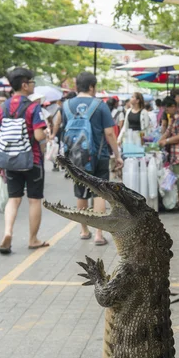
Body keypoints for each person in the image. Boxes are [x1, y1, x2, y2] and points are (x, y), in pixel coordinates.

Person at [62, 71, 123, 245]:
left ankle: (83, 231)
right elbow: (110, 133)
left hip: (76, 158)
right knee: (99, 194)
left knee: (81, 194)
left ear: (76, 87)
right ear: (91, 87)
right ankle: (98, 234)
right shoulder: (100, 105)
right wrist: (117, 156)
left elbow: (62, 131)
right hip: (100, 156)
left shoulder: (66, 106)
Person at [0, 68, 48, 254]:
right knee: (34, 200)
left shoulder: (2, 108)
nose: (33, 85)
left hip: (9, 161)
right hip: (32, 160)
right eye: (32, 81)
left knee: (13, 199)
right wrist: (46, 134)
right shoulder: (33, 107)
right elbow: (38, 134)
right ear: (25, 85)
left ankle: (8, 232)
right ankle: (33, 239)